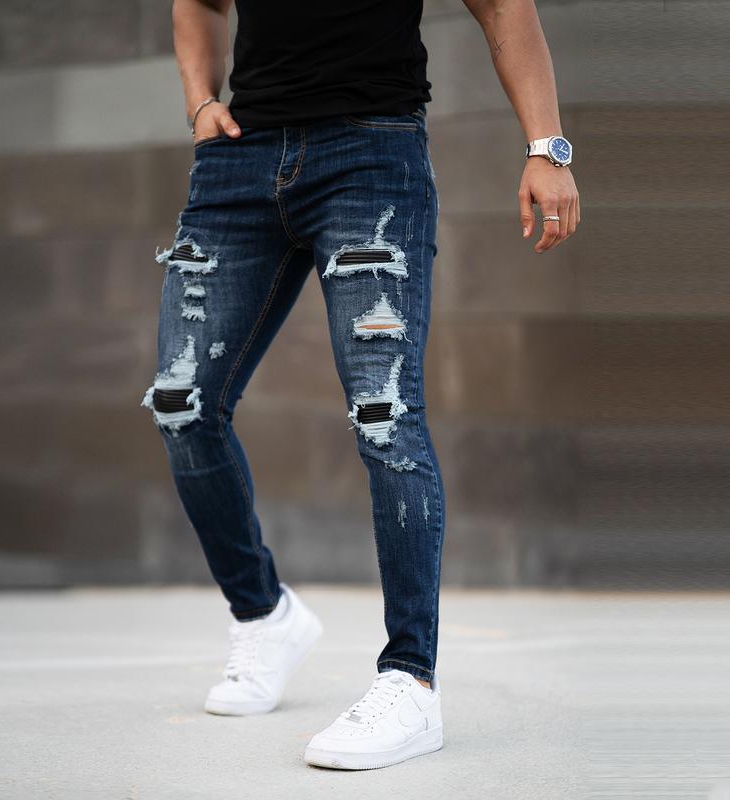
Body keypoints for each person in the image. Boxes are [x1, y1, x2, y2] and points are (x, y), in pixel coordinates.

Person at [142, 0, 579, 771]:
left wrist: (547, 146)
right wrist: (201, 101)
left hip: (370, 156)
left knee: (385, 415)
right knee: (183, 405)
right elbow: (201, 2)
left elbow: (503, 7)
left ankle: (410, 681)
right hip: (238, 161)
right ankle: (263, 615)